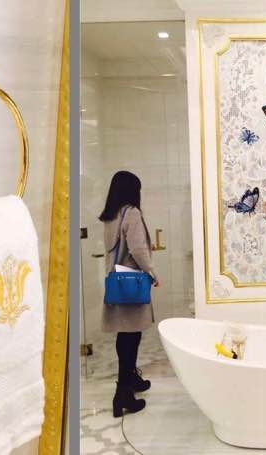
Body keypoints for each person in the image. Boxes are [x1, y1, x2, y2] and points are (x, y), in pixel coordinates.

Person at [99, 171, 160, 418]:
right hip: (131, 282)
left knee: (125, 335)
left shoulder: (111, 216)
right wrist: (152, 272)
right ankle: (123, 393)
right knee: (131, 337)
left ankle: (130, 380)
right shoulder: (132, 213)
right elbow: (137, 249)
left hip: (117, 281)